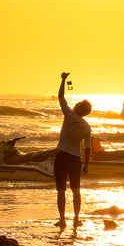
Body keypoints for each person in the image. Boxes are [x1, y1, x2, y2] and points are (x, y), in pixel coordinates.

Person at [54, 72, 92, 229]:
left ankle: (62, 219)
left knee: (61, 190)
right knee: (76, 191)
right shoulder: (86, 127)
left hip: (62, 157)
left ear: (78, 108)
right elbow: (88, 148)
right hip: (76, 159)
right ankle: (76, 219)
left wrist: (63, 80)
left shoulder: (69, 115)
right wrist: (86, 165)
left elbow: (60, 96)